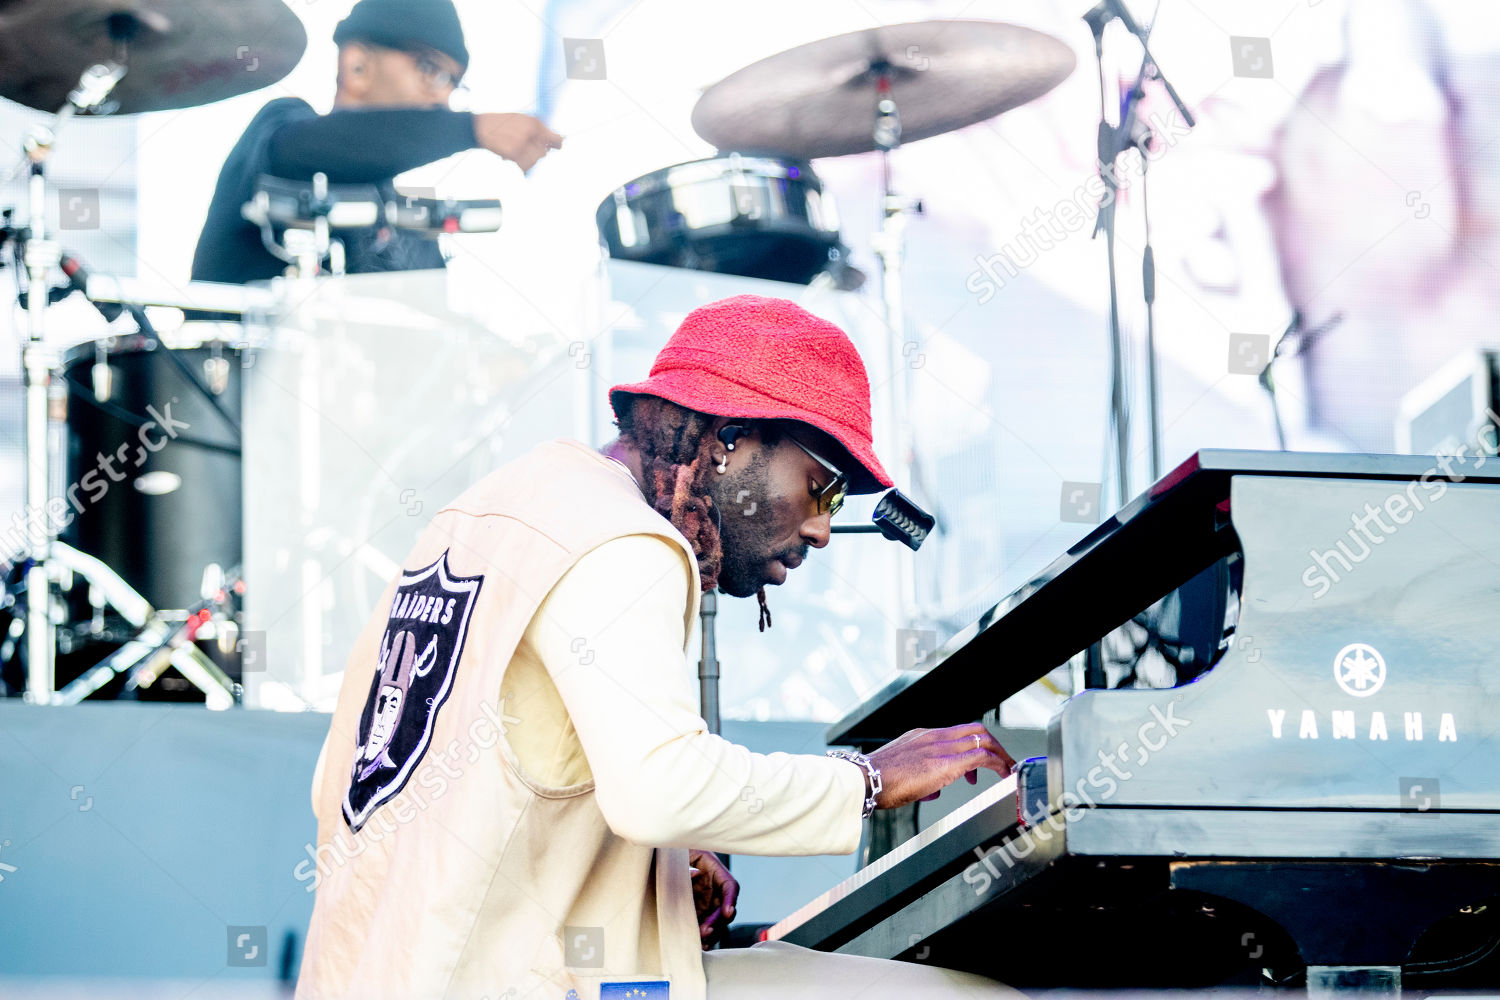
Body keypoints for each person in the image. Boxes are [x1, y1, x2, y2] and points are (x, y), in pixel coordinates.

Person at [295, 295, 1021, 1000]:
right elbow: (659, 789)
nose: (823, 530)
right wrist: (866, 780)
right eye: (823, 488)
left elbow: (351, 781)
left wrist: (655, 868)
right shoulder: (625, 541)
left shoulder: (482, 518)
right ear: (731, 437)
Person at [191, 0, 562, 285]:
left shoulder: (405, 218)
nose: (444, 98)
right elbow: (306, 151)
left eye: (454, 83)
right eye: (431, 69)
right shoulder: (282, 129)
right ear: (357, 66)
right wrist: (471, 128)